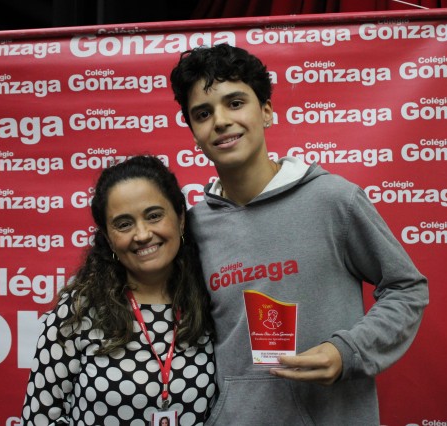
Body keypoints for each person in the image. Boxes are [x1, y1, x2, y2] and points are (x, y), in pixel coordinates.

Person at [170, 44, 429, 425]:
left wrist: (348, 351)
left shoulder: (333, 200)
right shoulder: (194, 228)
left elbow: (407, 289)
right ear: (194, 133)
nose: (220, 121)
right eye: (203, 114)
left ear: (266, 111)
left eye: (235, 103)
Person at [21, 155, 217, 426]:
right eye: (124, 224)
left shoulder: (209, 300)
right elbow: (39, 418)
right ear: (108, 238)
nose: (142, 234)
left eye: (154, 216)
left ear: (180, 218)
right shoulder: (78, 310)